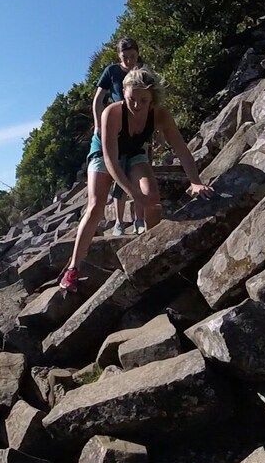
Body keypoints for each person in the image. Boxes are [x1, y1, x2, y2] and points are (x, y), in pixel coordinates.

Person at [60, 68, 213, 293]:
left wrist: (195, 181)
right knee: (95, 206)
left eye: (143, 100)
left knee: (152, 199)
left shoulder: (160, 115)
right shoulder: (111, 113)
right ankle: (73, 268)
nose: (137, 105)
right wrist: (132, 193)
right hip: (104, 151)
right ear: (123, 92)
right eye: (131, 99)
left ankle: (152, 253)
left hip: (134, 150)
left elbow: (182, 150)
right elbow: (111, 161)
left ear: (152, 98)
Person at [93, 37, 142, 236]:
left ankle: (140, 219)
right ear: (119, 56)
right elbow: (98, 100)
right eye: (125, 57)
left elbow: (153, 100)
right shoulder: (111, 72)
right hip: (118, 130)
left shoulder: (143, 71)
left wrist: (157, 130)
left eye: (133, 56)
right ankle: (119, 223)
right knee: (119, 174)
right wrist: (98, 125)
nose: (129, 61)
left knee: (140, 173)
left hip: (139, 128)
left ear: (138, 53)